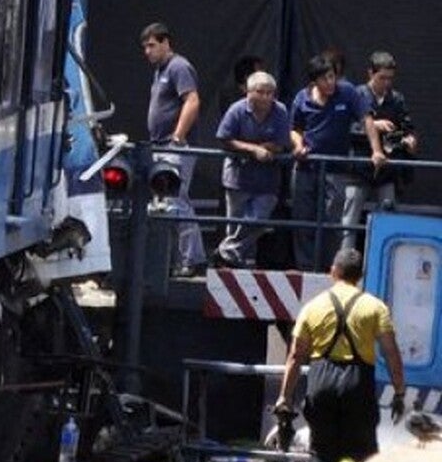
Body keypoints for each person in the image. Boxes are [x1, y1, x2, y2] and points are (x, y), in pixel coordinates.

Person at [275, 248, 406, 462]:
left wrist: (284, 398)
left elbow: (295, 356)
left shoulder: (312, 307)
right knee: (362, 458)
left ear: (333, 272)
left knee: (323, 458)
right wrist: (399, 392)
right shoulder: (375, 307)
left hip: (321, 383)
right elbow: (391, 353)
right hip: (358, 385)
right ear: (359, 276)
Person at [289, 55, 385, 271]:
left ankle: (327, 268)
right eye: (324, 79)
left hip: (336, 169)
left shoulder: (348, 92)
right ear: (313, 82)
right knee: (302, 220)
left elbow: (367, 120)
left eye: (332, 76)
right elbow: (295, 129)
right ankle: (305, 267)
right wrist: (298, 146)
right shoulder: (301, 99)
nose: (330, 82)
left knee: (332, 221)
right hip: (306, 167)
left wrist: (376, 150)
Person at [140, 22, 204, 276]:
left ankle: (191, 259)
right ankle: (180, 258)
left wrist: (178, 136)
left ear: (166, 42)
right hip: (160, 144)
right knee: (168, 202)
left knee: (176, 201)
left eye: (152, 45)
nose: (147, 51)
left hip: (174, 146)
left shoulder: (179, 67)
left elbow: (192, 100)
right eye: (144, 47)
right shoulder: (160, 71)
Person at [342, 51, 418, 251]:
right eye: (382, 78)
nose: (386, 83)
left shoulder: (397, 99)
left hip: (386, 171)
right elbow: (345, 128)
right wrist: (374, 125)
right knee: (348, 221)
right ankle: (344, 264)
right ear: (370, 74)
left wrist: (408, 139)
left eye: (390, 78)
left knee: (389, 219)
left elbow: (405, 127)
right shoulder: (356, 96)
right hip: (359, 167)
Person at [214, 72, 290, 268]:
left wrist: (268, 149)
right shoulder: (237, 110)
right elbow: (224, 138)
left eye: (270, 93)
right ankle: (237, 262)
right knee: (235, 224)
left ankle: (225, 252)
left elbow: (282, 143)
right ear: (249, 92)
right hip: (238, 177)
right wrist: (253, 149)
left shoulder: (280, 111)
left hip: (267, 180)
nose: (265, 97)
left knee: (258, 220)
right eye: (260, 92)